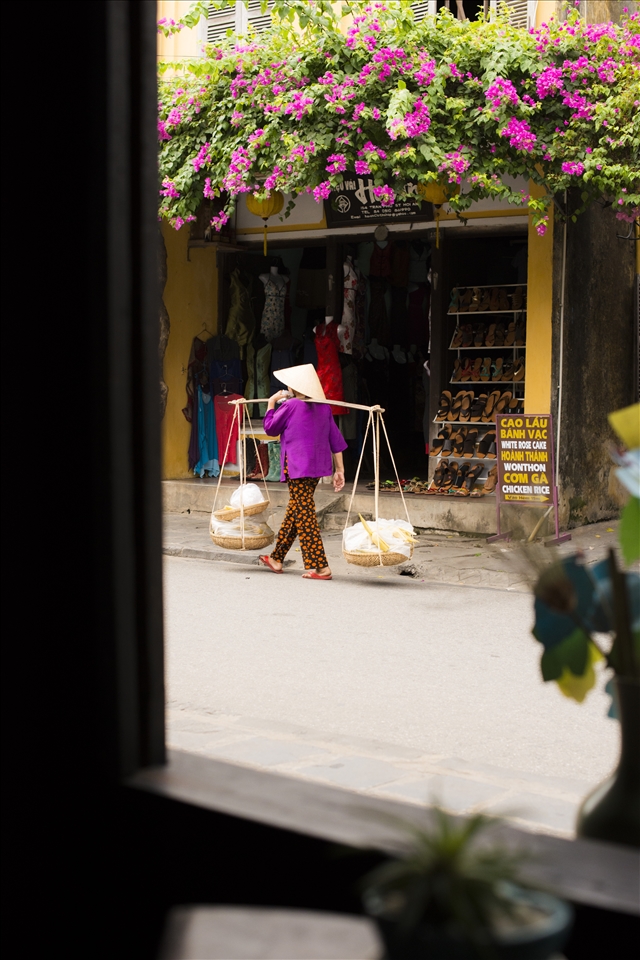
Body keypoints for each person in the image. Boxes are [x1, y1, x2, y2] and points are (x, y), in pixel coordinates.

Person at [259, 363, 347, 581]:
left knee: (304, 514)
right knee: (297, 509)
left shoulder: (291, 406)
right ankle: (277, 558)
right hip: (316, 469)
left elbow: (270, 428)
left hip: (297, 467)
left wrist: (271, 402)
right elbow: (336, 442)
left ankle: (321, 567)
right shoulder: (324, 408)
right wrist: (340, 470)